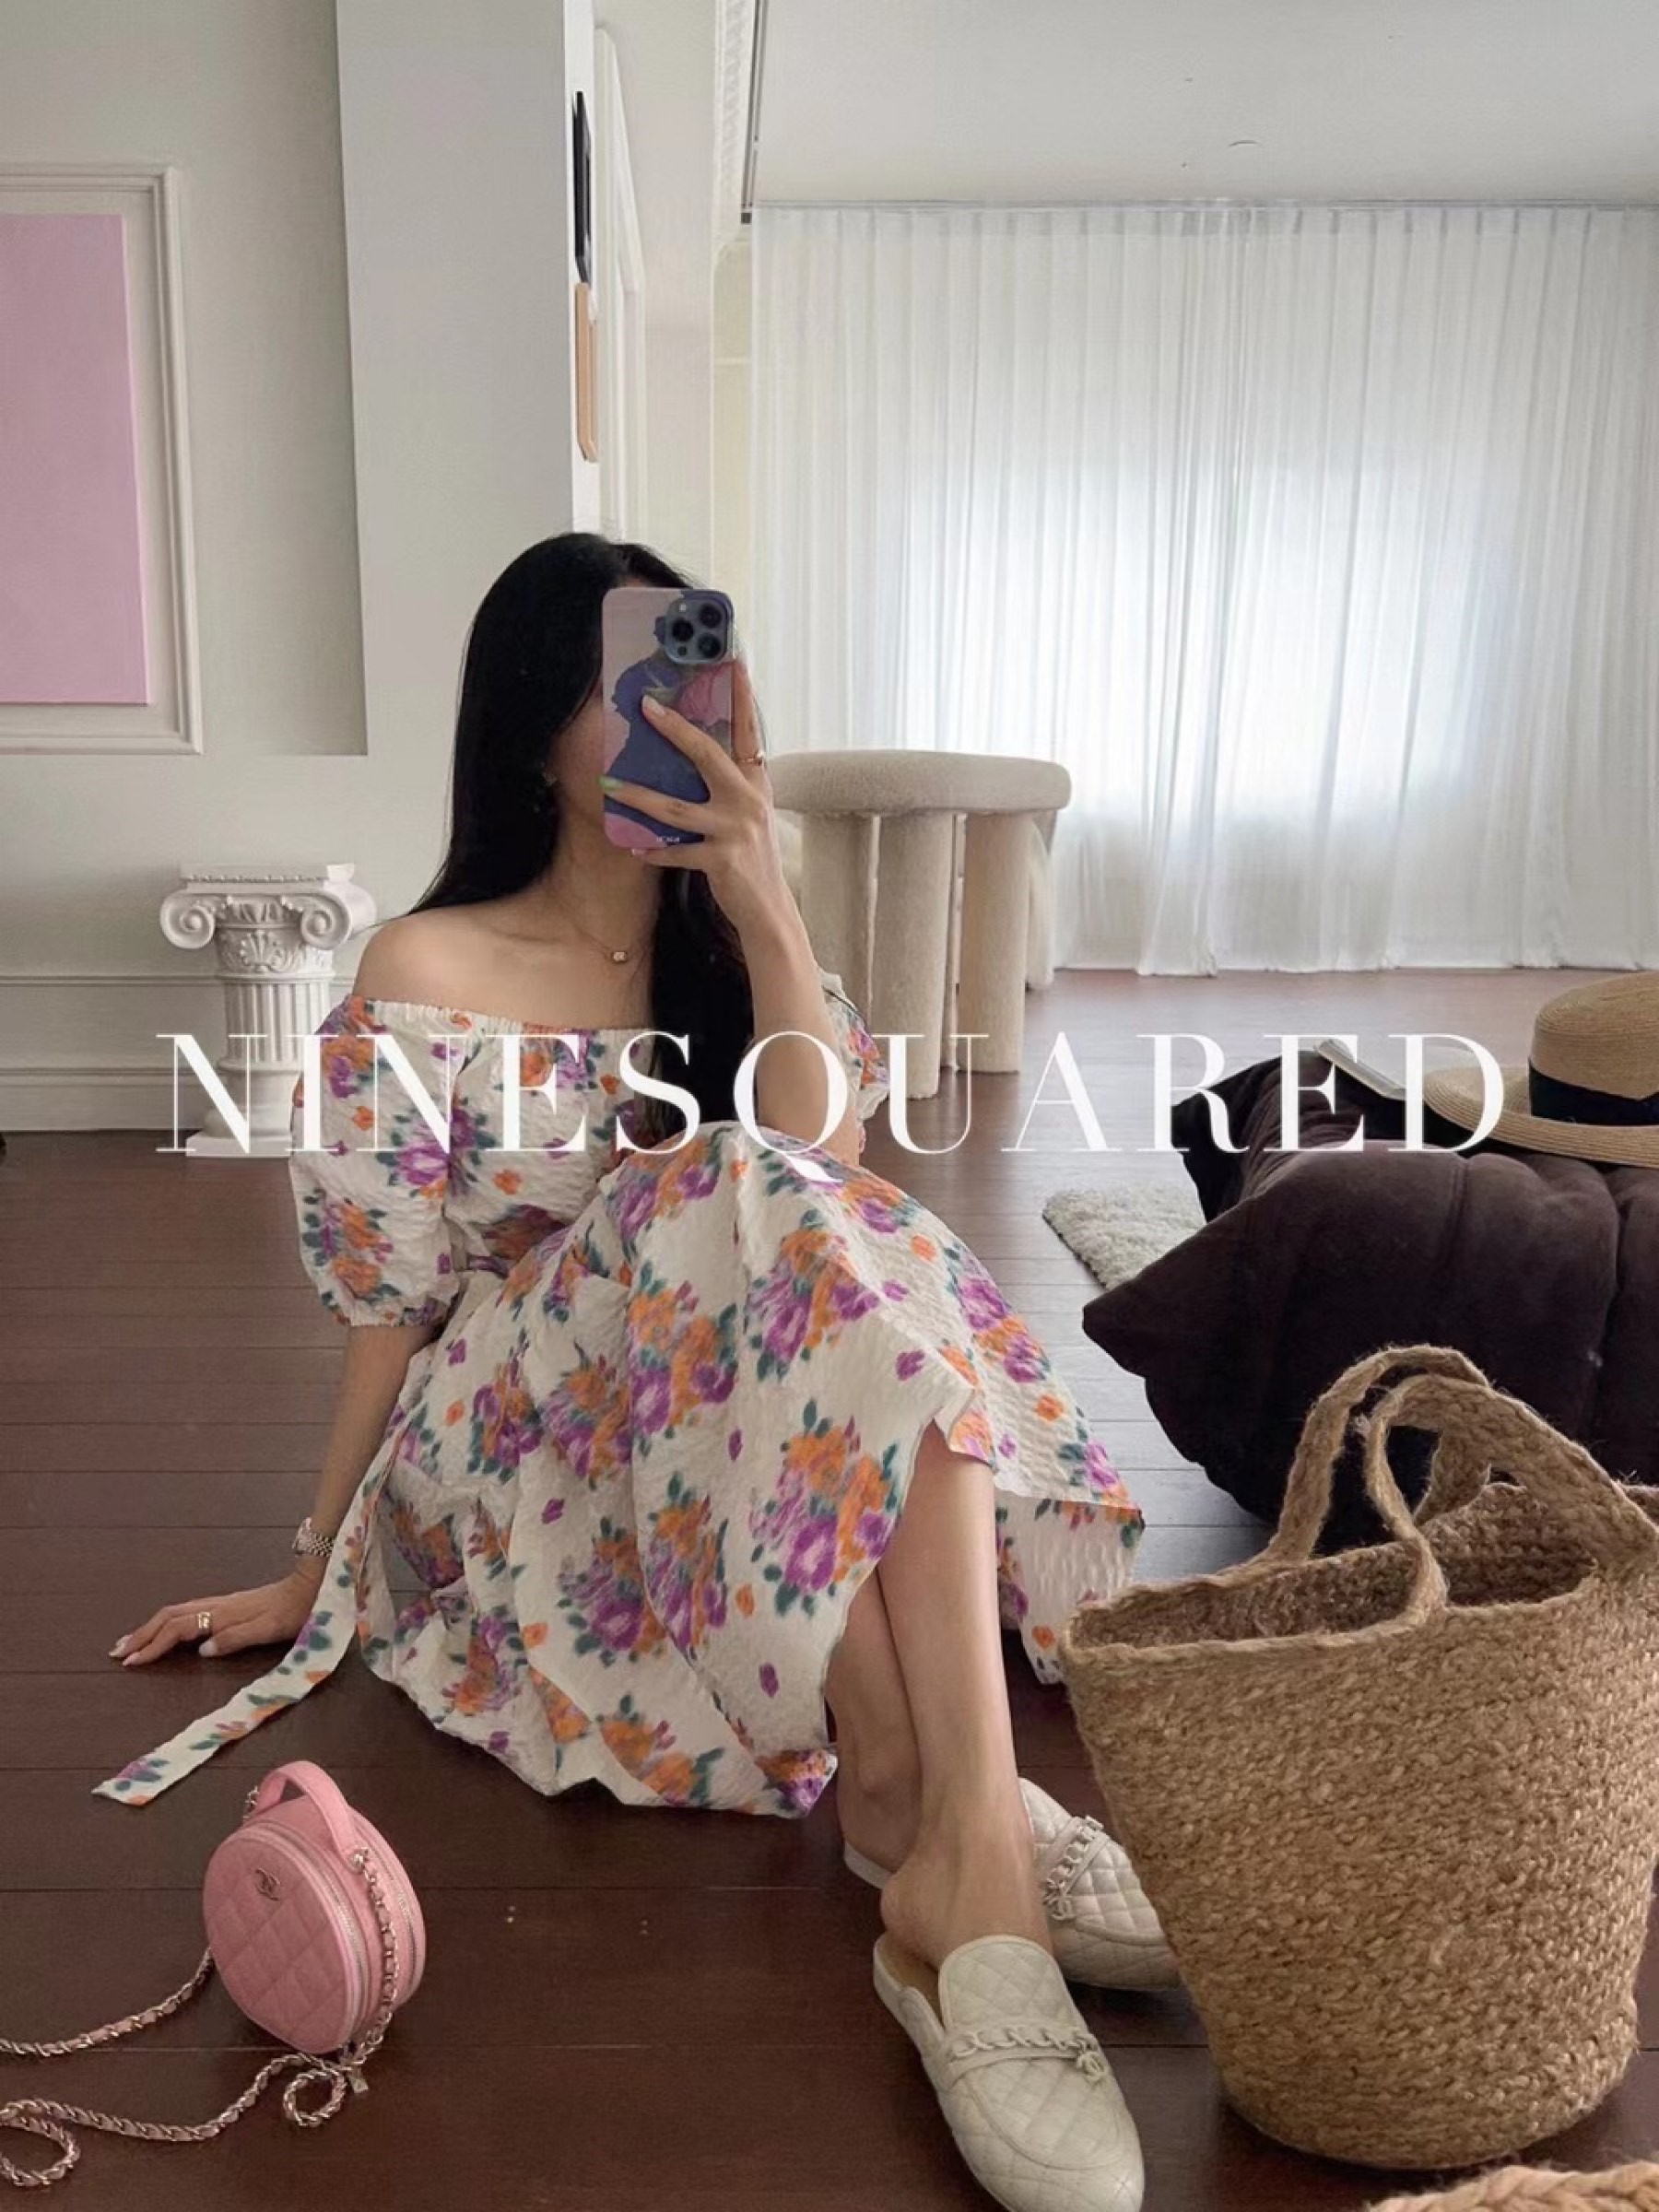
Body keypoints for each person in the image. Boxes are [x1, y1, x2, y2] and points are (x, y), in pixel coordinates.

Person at [106, 535, 1159, 2212]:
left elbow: (831, 1177)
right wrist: (314, 1566)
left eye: (697, 677)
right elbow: (386, 1302)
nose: (675, 713)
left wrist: (764, 895)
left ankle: (940, 1826)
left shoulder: (744, 953)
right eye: (627, 685)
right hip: (516, 1436)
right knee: (734, 1180)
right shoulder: (421, 970)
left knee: (824, 1233)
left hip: (718, 1414)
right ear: (538, 729)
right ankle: (963, 1834)